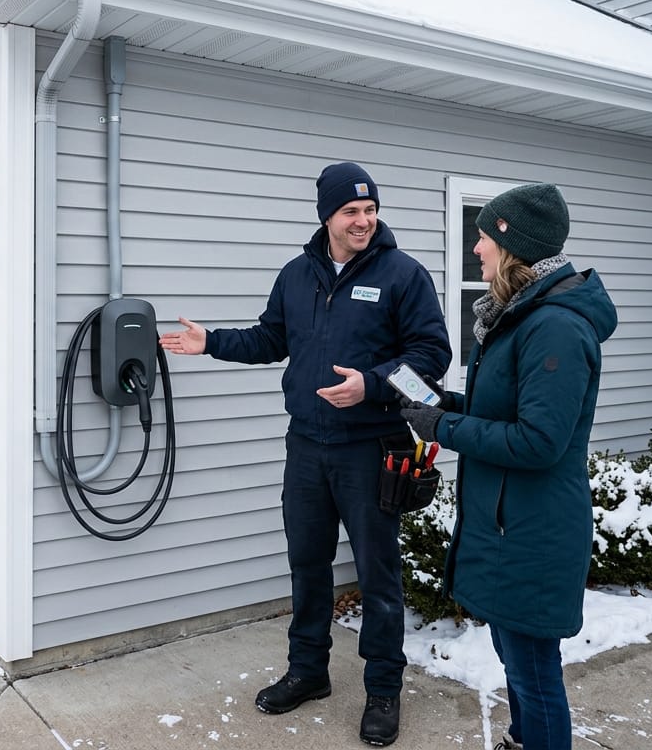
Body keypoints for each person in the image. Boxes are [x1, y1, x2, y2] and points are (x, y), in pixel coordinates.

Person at [160, 162, 450, 747]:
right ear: (327, 216)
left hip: (370, 447)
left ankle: (384, 689)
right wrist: (211, 342)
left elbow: (432, 353)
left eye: (370, 210)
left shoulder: (402, 275)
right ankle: (308, 671)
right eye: (351, 212)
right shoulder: (298, 275)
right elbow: (272, 338)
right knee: (308, 564)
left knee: (378, 574)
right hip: (307, 447)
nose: (364, 221)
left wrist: (370, 384)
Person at [398, 183, 617, 750]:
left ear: (511, 244)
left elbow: (539, 441)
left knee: (534, 674)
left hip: (534, 529)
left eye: (482, 237)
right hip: (509, 524)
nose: (476, 249)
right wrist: (451, 407)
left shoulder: (555, 326)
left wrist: (443, 429)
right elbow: (510, 413)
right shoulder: (524, 316)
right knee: (518, 662)